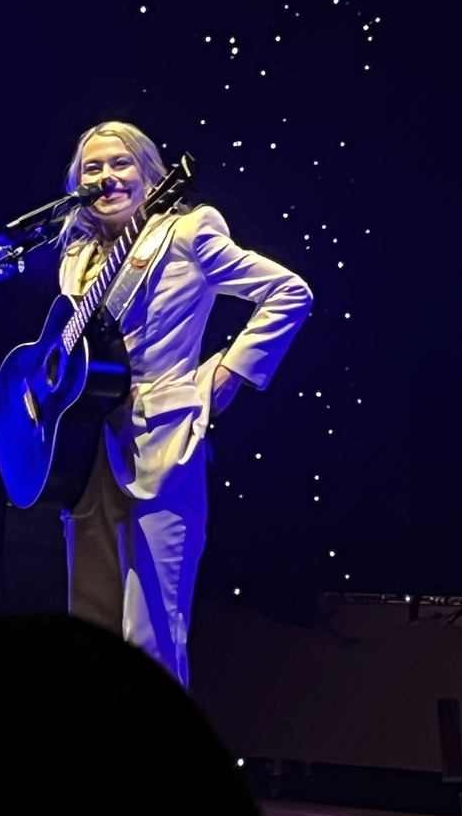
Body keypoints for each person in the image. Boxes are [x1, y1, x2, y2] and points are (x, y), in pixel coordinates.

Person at [60, 122, 312, 686]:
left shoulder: (187, 232)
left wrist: (226, 375)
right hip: (85, 452)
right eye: (92, 168)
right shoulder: (76, 258)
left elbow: (289, 290)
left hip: (162, 438)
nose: (106, 177)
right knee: (89, 628)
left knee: (150, 630)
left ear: (150, 175)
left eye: (120, 164)